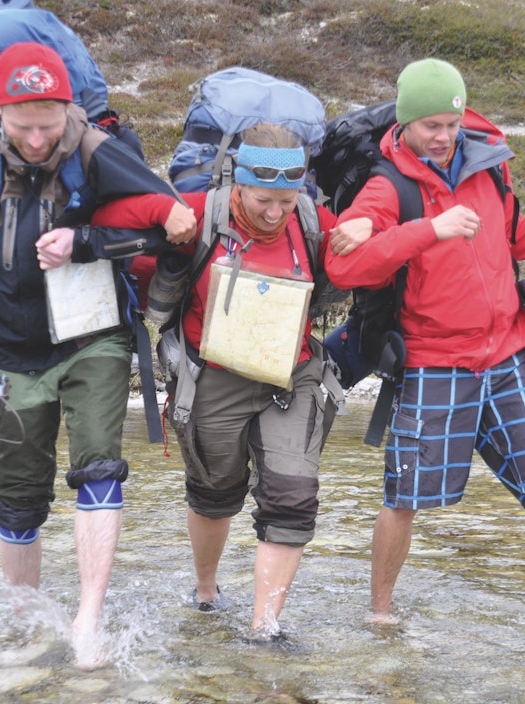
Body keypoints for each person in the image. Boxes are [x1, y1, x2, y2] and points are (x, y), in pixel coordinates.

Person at [0, 41, 196, 669]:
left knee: (98, 467)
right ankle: (26, 620)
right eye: (23, 125)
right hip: (8, 347)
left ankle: (88, 617)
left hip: (95, 338)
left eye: (51, 124)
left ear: (70, 108)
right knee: (16, 496)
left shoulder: (99, 151)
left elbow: (173, 228)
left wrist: (86, 240)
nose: (38, 140)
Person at [324, 58, 525, 652]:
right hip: (434, 363)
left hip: (508, 357)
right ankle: (380, 612)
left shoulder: (488, 169)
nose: (442, 135)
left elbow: (512, 233)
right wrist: (430, 229)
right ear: (405, 123)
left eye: (451, 122)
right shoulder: (388, 187)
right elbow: (345, 263)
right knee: (404, 501)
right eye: (430, 124)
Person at [91, 122, 369, 645]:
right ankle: (205, 590)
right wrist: (159, 213)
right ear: (236, 185)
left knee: (292, 496)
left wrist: (368, 228)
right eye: (263, 200)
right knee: (214, 493)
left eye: (286, 201)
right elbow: (104, 219)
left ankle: (265, 627)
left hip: (295, 375)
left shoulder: (310, 220)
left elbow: (370, 258)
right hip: (212, 377)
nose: (274, 213)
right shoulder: (199, 213)